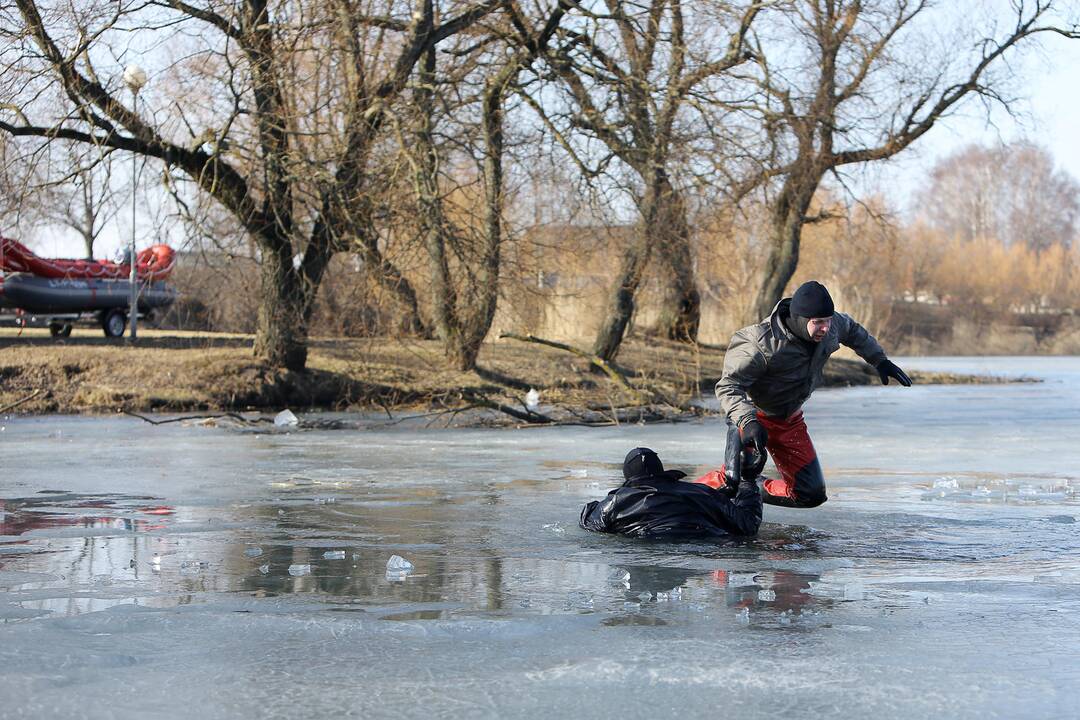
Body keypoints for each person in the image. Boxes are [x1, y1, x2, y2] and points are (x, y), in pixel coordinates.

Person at [714, 280, 911, 508]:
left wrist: (879, 360)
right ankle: (693, 491)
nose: (826, 328)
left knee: (810, 494)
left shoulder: (832, 326)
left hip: (788, 420)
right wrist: (747, 421)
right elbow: (728, 386)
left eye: (827, 321)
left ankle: (751, 488)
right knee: (732, 479)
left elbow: (854, 332)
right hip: (752, 417)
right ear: (799, 319)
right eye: (818, 323)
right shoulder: (760, 343)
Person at [579, 447, 762, 540]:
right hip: (707, 542)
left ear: (628, 476)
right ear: (661, 470)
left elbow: (590, 524)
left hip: (648, 544)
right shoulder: (699, 492)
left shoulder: (616, 501)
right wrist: (748, 482)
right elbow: (747, 524)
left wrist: (592, 506)